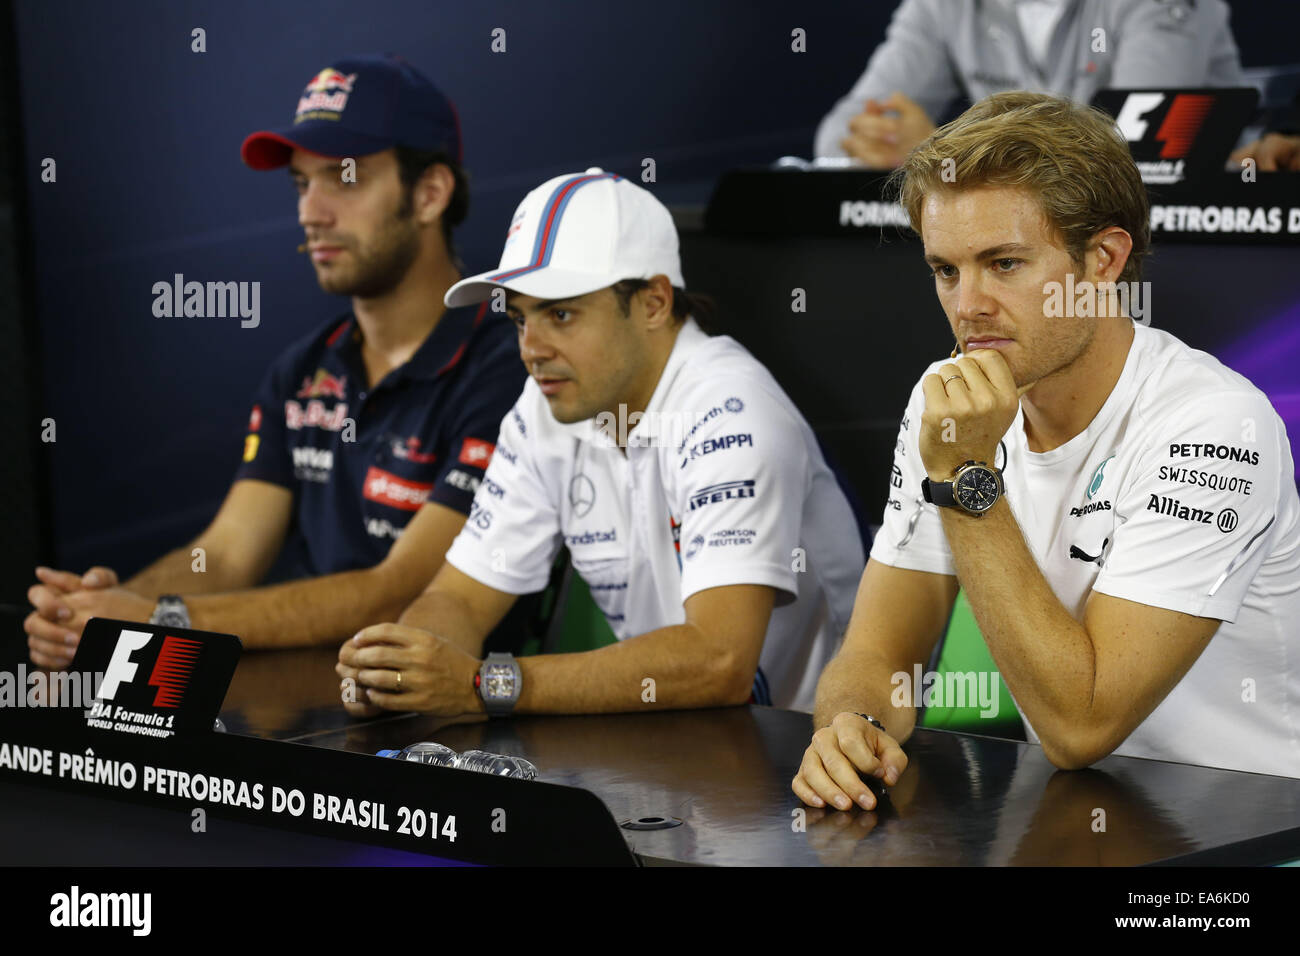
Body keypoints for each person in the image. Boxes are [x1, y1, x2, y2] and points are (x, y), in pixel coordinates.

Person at [793, 91, 1300, 812]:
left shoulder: (1215, 427)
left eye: (1003, 264)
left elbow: (1081, 724)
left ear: (1104, 260)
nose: (967, 306)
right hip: (1077, 827)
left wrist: (966, 476)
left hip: (1253, 845)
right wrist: (854, 728)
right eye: (946, 270)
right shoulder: (949, 397)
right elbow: (878, 655)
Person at [24, 55, 523, 663]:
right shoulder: (303, 370)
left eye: (343, 178)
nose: (310, 213)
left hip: (452, 736)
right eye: (300, 183)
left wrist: (160, 618)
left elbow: (396, 593)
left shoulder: (509, 368)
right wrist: (101, 608)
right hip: (308, 724)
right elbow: (230, 552)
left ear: (430, 194)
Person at [336, 170, 864, 717]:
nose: (530, 348)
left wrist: (483, 685)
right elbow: (460, 598)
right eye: (520, 318)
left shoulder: (732, 409)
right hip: (679, 743)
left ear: (655, 302)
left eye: (560, 314)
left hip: (812, 755)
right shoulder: (543, 408)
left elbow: (719, 659)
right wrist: (400, 668)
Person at [816, 0, 1243, 167]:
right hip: (1022, 242)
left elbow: (1133, 159)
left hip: (1188, 240)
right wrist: (878, 140)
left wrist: (941, 156)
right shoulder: (940, 6)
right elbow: (840, 134)